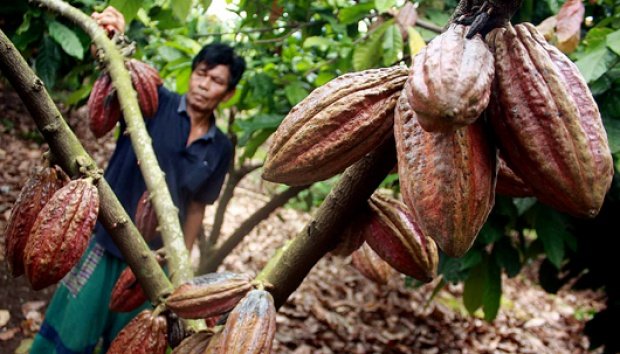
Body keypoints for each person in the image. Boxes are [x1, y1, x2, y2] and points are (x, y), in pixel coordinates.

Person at [30, 6, 245, 353]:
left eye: (216, 81)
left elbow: (196, 210)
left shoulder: (219, 147)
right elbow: (116, 73)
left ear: (229, 93)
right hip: (105, 238)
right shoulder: (154, 102)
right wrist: (111, 37)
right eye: (201, 73)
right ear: (192, 73)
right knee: (72, 327)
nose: (205, 85)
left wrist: (181, 266)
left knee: (130, 338)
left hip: (152, 262)